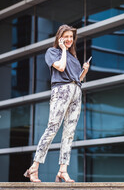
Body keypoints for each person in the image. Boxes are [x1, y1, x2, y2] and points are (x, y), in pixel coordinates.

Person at [24, 25, 90, 183]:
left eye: (71, 37)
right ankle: (34, 168)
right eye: (66, 36)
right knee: (52, 129)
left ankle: (62, 170)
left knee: (69, 133)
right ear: (60, 37)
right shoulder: (53, 52)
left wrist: (84, 71)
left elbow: (76, 80)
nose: (69, 40)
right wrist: (63, 50)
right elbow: (60, 67)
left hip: (76, 92)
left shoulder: (73, 58)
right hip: (61, 91)